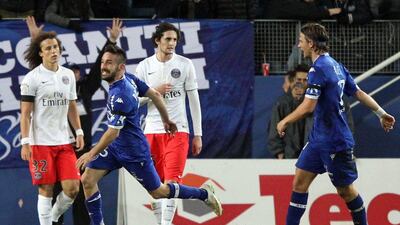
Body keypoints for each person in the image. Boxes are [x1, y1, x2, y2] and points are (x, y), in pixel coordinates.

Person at [76, 44, 223, 225]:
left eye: (109, 63)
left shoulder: (121, 95)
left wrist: (91, 153)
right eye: (103, 62)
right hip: (116, 148)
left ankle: (204, 194)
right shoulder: (128, 78)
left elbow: (113, 133)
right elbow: (155, 94)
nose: (103, 67)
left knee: (159, 192)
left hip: (134, 152)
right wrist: (166, 119)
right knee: (87, 180)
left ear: (120, 67)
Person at [277, 23, 395, 225]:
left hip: (335, 141)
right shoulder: (336, 65)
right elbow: (358, 92)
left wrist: (285, 120)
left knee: (345, 191)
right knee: (299, 184)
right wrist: (381, 113)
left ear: (311, 44)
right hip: (318, 139)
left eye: (301, 41)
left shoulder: (318, 70)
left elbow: (308, 106)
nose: (299, 46)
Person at [26, 16, 124, 225]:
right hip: (49, 142)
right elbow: (39, 75)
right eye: (72, 69)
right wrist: (36, 40)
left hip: (78, 148)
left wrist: (111, 42)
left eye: (77, 71)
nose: (74, 73)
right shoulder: (44, 78)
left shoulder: (84, 90)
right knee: (50, 190)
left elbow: (99, 69)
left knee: (77, 192)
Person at [135, 22, 203, 225]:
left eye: (175, 40)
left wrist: (197, 133)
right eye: (168, 39)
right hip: (151, 132)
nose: (172, 43)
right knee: (155, 186)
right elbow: (134, 101)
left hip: (178, 131)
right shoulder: (144, 66)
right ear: (157, 40)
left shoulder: (185, 64)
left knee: (172, 182)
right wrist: (153, 93)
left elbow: (194, 100)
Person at [20, 29, 83, 224]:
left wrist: (78, 131)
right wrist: (25, 142)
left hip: (64, 141)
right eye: (48, 48)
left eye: (55, 47)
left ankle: (53, 216)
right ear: (41, 53)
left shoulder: (68, 75)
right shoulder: (32, 78)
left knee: (72, 189)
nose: (54, 51)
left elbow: (72, 105)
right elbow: (25, 114)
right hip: (40, 143)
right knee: (46, 189)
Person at [268, 66, 311, 159]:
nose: (302, 83)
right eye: (299, 79)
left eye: (305, 80)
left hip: (309, 156)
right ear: (292, 82)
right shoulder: (282, 103)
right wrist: (279, 153)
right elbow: (274, 129)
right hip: (288, 156)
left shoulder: (313, 104)